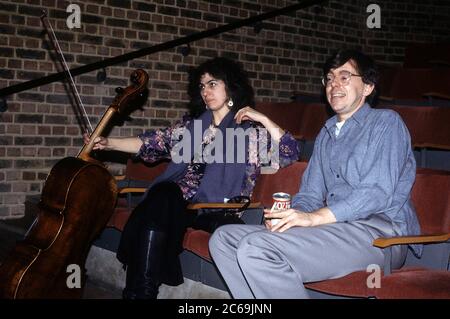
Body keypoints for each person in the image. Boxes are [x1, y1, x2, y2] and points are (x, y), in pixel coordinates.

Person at [209, 49, 422, 298]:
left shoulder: (386, 123)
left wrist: (314, 218)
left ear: (367, 87)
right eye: (329, 78)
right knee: (223, 240)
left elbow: (376, 193)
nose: (334, 85)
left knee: (256, 247)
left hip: (378, 236)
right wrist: (290, 217)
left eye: (344, 77)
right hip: (337, 230)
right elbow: (310, 193)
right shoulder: (327, 133)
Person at [84, 57, 300, 299]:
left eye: (212, 84)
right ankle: (141, 295)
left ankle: (138, 294)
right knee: (164, 193)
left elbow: (289, 152)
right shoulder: (192, 128)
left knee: (158, 202)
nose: (206, 91)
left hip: (213, 208)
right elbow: (151, 143)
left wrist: (263, 119)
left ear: (231, 86)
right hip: (177, 203)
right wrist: (107, 142)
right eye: (202, 86)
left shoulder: (248, 133)